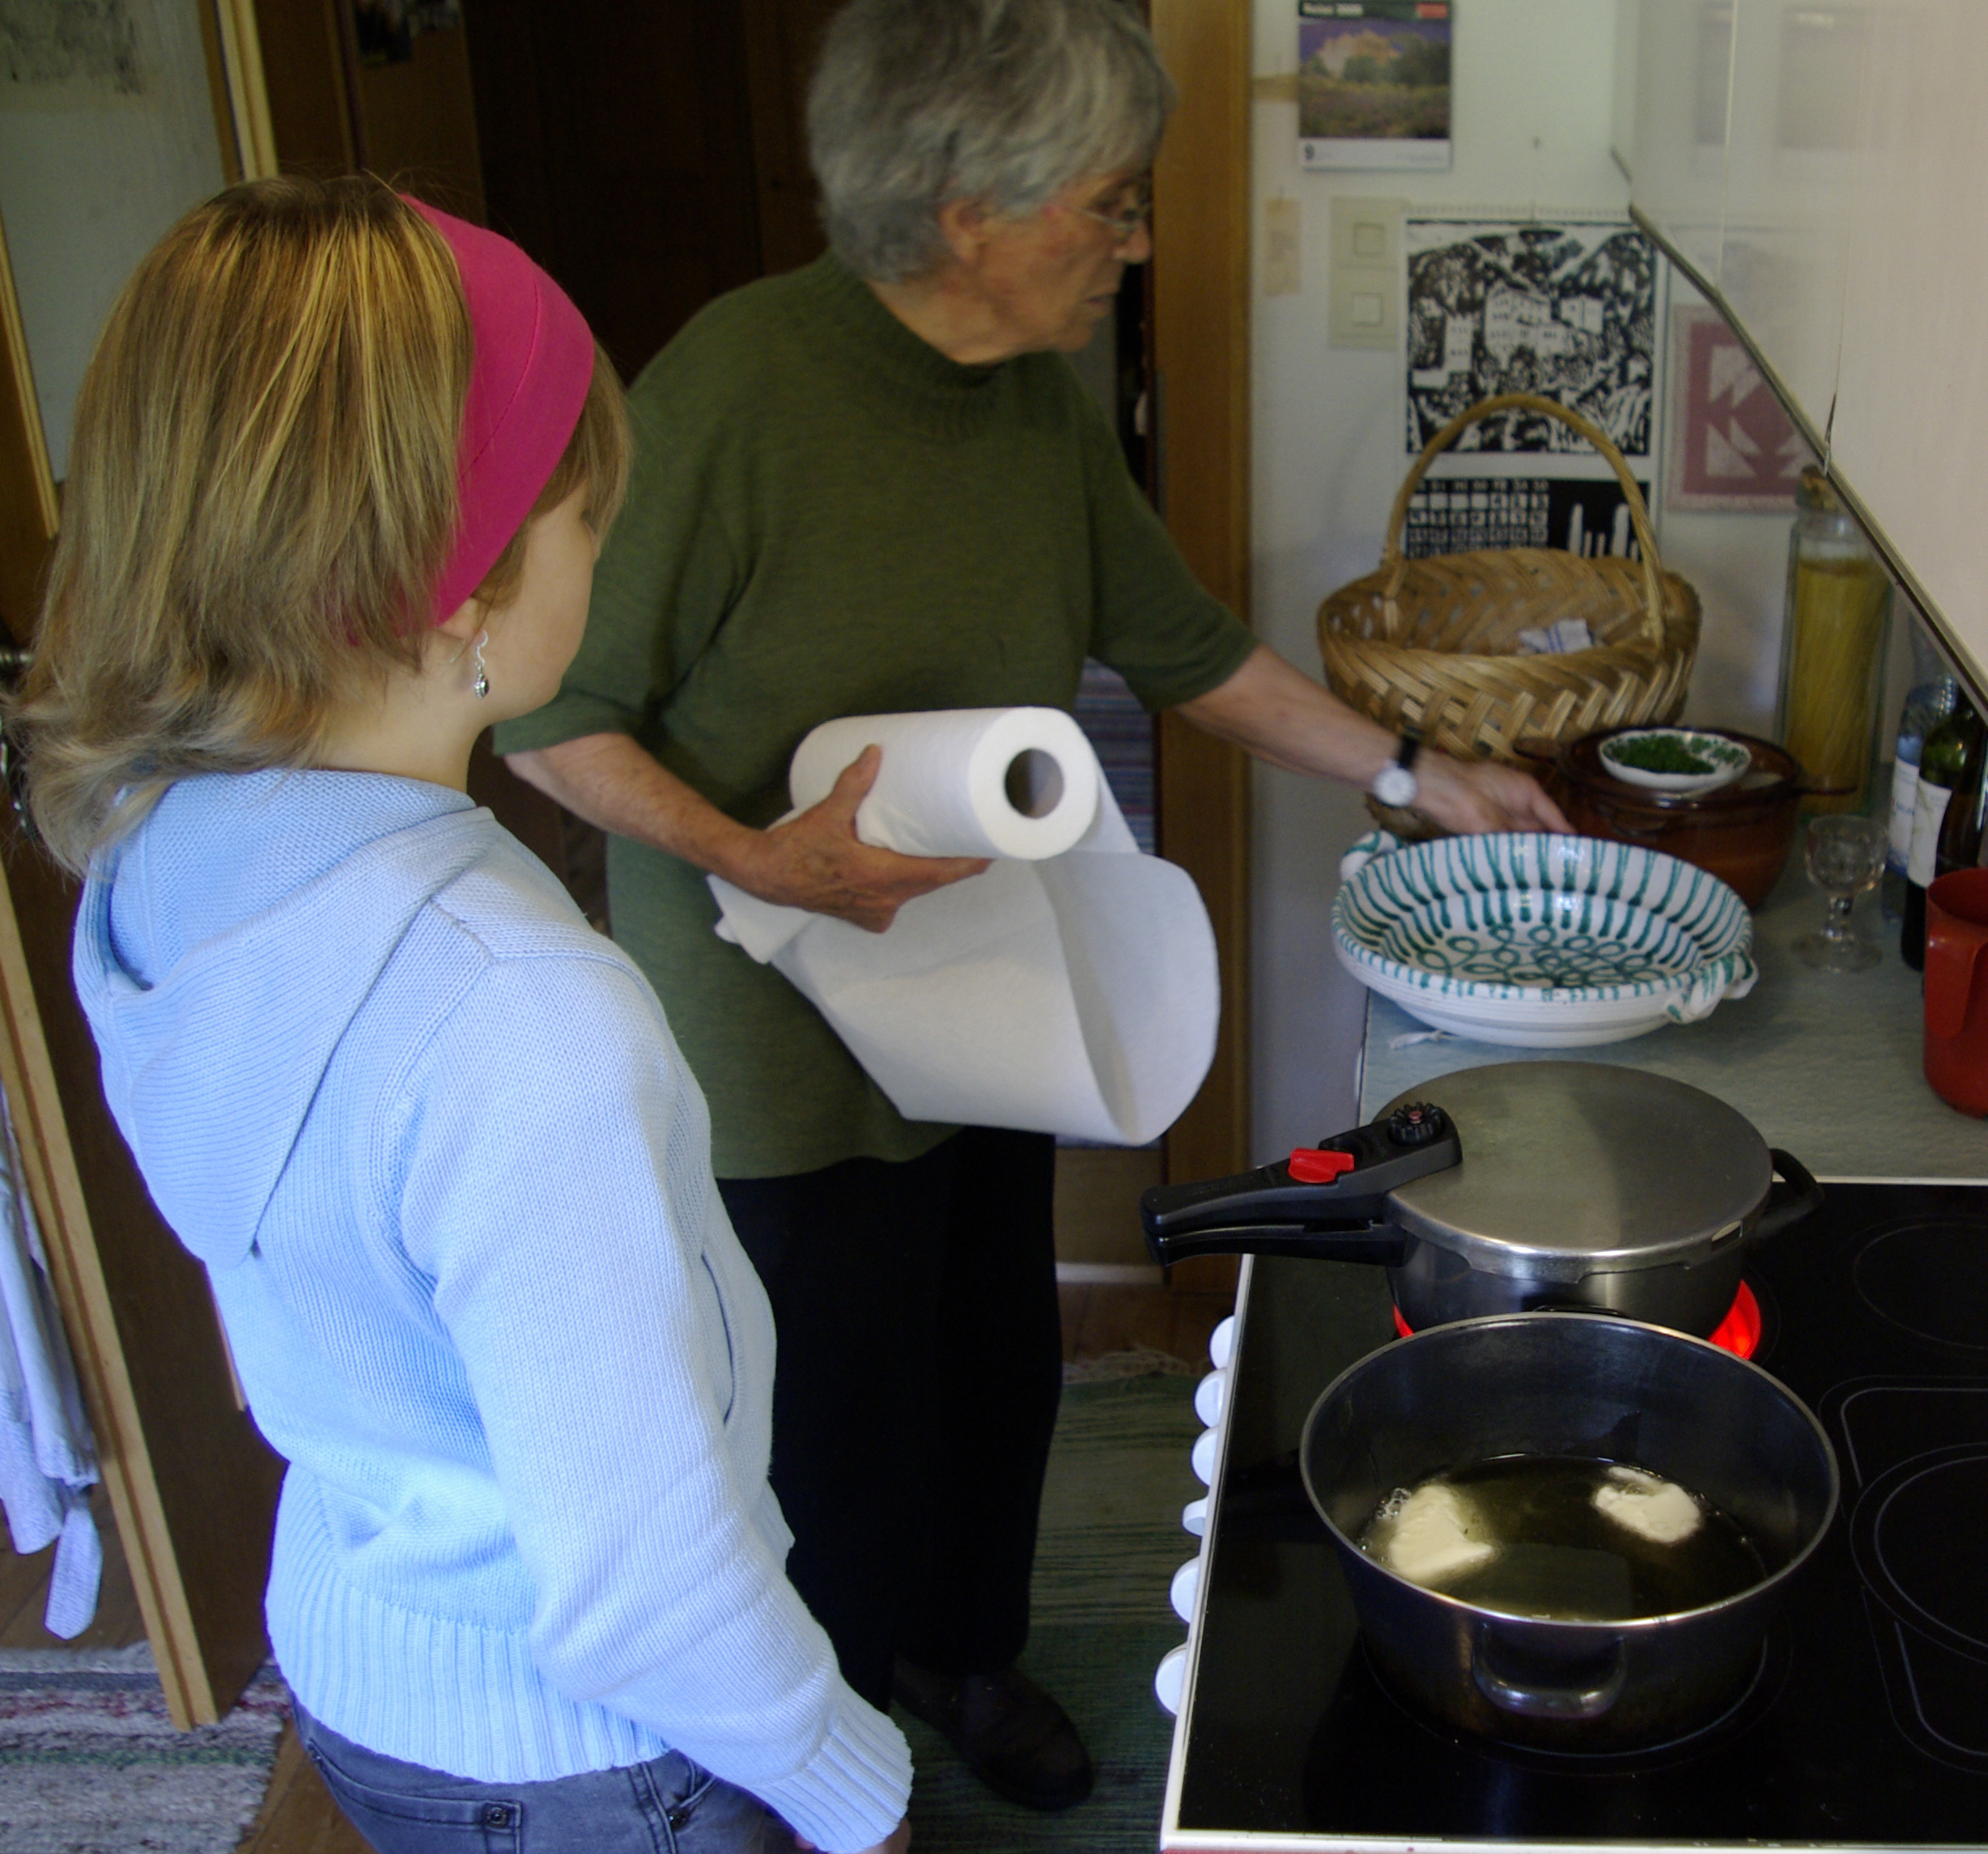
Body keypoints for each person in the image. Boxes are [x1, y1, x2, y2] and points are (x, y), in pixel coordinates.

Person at [496, 0, 1567, 1810]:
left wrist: (1412, 769)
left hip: (979, 992)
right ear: (965, 206)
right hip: (774, 1023)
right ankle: (824, 1761)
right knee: (821, 1421)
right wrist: (759, 857)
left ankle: (964, 1660)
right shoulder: (729, 397)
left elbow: (1179, 647)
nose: (1135, 241)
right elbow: (549, 715)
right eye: (1109, 202)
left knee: (992, 1371)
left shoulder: (1030, 407)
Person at [14, 177, 911, 1854]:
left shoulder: (154, 866)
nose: (606, 548)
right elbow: (646, 1588)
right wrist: (853, 1787)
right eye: (587, 519)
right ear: (461, 598)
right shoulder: (520, 1019)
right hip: (594, 1755)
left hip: (362, 1672)